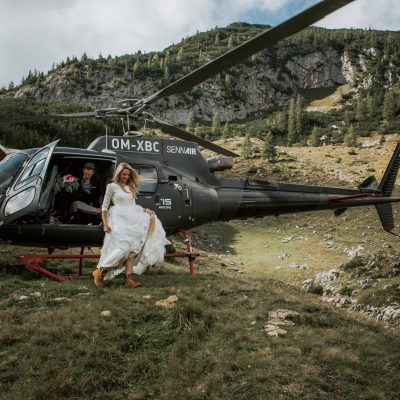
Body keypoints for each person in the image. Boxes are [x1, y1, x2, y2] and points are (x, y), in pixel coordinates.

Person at [93, 162, 169, 287]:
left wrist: (144, 210)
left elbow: (132, 206)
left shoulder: (130, 188)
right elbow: (105, 207)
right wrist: (105, 224)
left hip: (133, 218)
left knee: (134, 248)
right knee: (123, 247)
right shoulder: (112, 186)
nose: (126, 177)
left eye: (128, 175)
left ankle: (129, 279)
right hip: (118, 218)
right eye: (124, 174)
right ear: (118, 174)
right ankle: (100, 271)